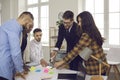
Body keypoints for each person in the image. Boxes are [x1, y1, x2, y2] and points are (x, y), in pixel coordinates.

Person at [54, 11, 108, 75]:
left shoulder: (87, 35)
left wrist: (61, 62)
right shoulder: (93, 31)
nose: (79, 24)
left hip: (95, 66)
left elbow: (76, 50)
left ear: (86, 22)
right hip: (98, 64)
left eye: (80, 21)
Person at [0, 11, 34, 80]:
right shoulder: (14, 27)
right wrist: (20, 70)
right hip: (4, 68)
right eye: (29, 25)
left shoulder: (10, 24)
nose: (29, 28)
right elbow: (15, 52)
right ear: (27, 21)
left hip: (6, 66)